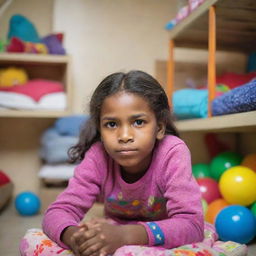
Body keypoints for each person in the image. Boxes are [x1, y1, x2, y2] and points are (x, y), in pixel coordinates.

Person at [20, 70, 247, 256]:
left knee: (202, 240)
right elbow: (58, 211)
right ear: (100, 128)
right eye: (111, 124)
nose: (124, 135)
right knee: (31, 241)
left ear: (159, 127)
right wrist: (75, 237)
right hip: (114, 230)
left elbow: (190, 225)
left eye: (138, 122)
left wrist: (126, 237)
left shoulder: (172, 151)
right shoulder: (98, 155)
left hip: (165, 235)